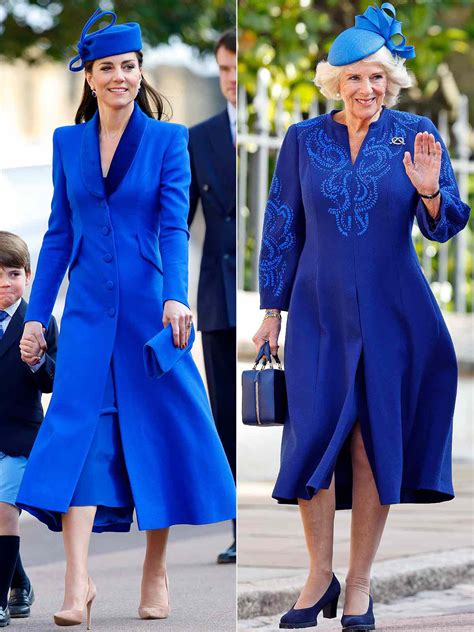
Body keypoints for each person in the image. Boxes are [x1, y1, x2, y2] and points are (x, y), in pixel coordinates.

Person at [252, 3, 471, 630]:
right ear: (334, 82)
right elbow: (281, 226)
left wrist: (431, 190)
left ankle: (361, 586)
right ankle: (319, 575)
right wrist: (272, 308)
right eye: (354, 77)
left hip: (392, 313)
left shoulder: (416, 133)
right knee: (315, 436)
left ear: (391, 81)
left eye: (377, 77)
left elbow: (447, 224)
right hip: (318, 315)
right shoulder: (302, 140)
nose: (366, 89)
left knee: (373, 445)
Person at [16, 8, 235, 628]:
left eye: (129, 66)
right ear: (89, 76)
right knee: (78, 436)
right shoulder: (67, 143)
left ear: (141, 71)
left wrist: (176, 296)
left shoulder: (169, 142)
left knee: (157, 435)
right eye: (107, 67)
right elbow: (59, 234)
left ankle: (155, 569)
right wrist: (37, 316)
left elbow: (173, 226)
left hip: (149, 314)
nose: (119, 77)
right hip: (85, 315)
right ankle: (78, 581)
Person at [188, 28, 237, 564]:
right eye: (223, 70)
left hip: (281, 289)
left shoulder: (285, 128)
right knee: (224, 411)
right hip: (217, 296)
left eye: (238, 70)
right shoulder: (197, 137)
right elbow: (178, 227)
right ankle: (236, 529)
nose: (230, 81)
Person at [0, 231, 57, 627]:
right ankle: (19, 582)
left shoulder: (40, 322)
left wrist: (37, 360)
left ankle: (0, 600)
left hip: (20, 437)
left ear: (29, 275)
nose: (5, 282)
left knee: (3, 512)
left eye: (13, 273)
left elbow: (55, 381)